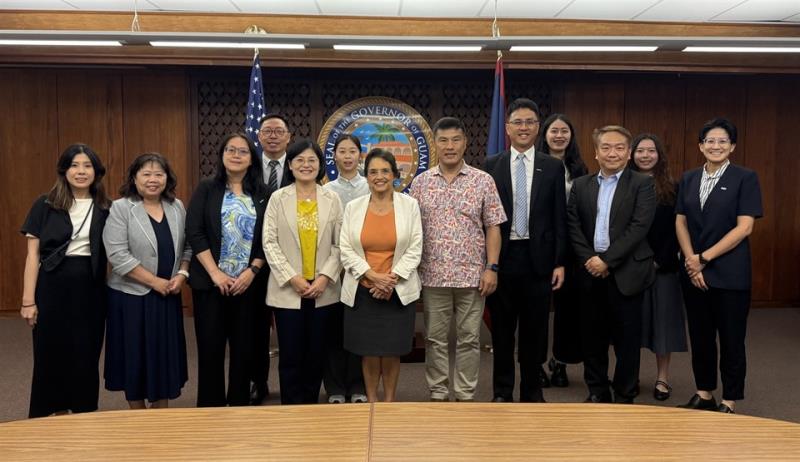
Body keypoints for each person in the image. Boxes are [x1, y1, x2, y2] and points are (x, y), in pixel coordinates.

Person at [409, 117, 506, 402]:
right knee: (435, 339)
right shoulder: (421, 182)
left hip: (473, 277)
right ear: (435, 144)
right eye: (443, 140)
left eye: (455, 140)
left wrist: (492, 267)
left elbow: (493, 227)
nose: (450, 146)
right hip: (433, 275)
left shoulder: (482, 180)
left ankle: (465, 393)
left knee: (469, 339)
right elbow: (412, 229)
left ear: (465, 143)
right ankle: (438, 391)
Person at [676, 118, 762, 414]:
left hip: (730, 273)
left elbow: (745, 228)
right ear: (700, 146)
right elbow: (681, 221)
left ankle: (729, 399)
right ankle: (704, 393)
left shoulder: (745, 177)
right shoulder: (688, 178)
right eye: (710, 141)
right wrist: (691, 261)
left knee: (731, 339)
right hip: (693, 272)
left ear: (733, 146)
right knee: (700, 336)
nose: (716, 146)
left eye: (723, 141)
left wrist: (703, 259)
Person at [20, 143, 111, 418]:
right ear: (64, 170)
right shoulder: (44, 203)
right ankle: (55, 413)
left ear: (96, 172)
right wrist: (28, 300)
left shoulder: (107, 207)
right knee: (50, 354)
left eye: (87, 166)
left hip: (91, 288)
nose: (81, 171)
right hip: (52, 286)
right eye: (74, 165)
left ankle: (84, 412)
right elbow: (32, 255)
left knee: (86, 353)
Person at [567, 125, 656, 404]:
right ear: (596, 153)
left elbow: (639, 227)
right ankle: (597, 390)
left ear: (628, 154)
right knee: (592, 337)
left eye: (619, 148)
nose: (612, 153)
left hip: (626, 272)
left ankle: (625, 392)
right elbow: (573, 225)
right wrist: (590, 260)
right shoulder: (581, 185)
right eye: (606, 147)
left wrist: (606, 260)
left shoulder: (642, 184)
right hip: (590, 271)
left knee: (627, 341)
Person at [485, 99, 566, 403]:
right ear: (507, 128)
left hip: (539, 261)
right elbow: (486, 218)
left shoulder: (553, 166)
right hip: (503, 258)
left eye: (529, 122)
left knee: (535, 331)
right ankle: (502, 391)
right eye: (517, 122)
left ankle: (532, 391)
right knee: (502, 331)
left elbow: (560, 218)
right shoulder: (492, 164)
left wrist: (559, 262)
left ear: (537, 127)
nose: (523, 127)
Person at [186, 133, 269, 407]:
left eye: (242, 151)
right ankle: (210, 408)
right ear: (222, 155)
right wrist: (215, 274)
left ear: (251, 159)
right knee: (210, 349)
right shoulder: (207, 188)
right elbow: (195, 233)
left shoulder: (261, 192)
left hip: (248, 284)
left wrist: (252, 271)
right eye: (231, 150)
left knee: (244, 349)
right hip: (211, 284)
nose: (236, 155)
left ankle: (240, 405)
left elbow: (268, 237)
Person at [102, 153, 191, 409]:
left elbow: (188, 247)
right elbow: (118, 256)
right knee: (134, 356)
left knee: (162, 355)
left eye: (158, 174)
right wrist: (155, 282)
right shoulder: (121, 208)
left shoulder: (177, 207)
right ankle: (137, 411)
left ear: (167, 178)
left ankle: (161, 408)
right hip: (130, 297)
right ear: (134, 178)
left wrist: (182, 275)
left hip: (168, 296)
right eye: (146, 174)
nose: (153, 180)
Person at [263, 139, 343, 404]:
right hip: (288, 289)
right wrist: (292, 277)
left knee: (317, 352)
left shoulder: (332, 198)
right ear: (290, 165)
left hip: (324, 289)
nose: (306, 165)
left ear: (320, 165)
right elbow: (269, 242)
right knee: (291, 353)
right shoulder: (278, 198)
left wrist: (324, 277)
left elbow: (340, 243)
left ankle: (310, 405)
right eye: (299, 160)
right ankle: (291, 407)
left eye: (312, 160)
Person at [340, 149, 423, 402]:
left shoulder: (410, 205)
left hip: (396, 290)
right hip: (363, 290)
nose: (379, 176)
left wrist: (390, 279)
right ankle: (372, 401)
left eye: (385, 171)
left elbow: (416, 247)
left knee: (391, 351)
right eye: (373, 171)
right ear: (366, 177)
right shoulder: (354, 208)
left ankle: (388, 401)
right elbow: (345, 248)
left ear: (395, 175)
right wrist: (373, 276)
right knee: (368, 352)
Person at [627, 134, 688, 401]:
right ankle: (631, 375)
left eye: (651, 151)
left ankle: (663, 378)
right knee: (631, 325)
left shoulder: (673, 188)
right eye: (640, 150)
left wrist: (659, 259)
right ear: (632, 154)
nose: (645, 155)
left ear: (659, 155)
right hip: (630, 265)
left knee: (663, 324)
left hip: (663, 266)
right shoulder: (623, 185)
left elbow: (678, 228)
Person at [535, 113, 588, 388]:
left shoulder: (579, 168)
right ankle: (537, 364)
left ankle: (560, 362)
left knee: (568, 311)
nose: (559, 136)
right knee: (538, 310)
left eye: (564, 131)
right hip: (540, 246)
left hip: (571, 249)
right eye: (553, 131)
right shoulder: (535, 165)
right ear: (544, 135)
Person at [322, 134, 370, 404]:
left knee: (358, 331)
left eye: (353, 151)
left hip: (363, 271)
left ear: (360, 155)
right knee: (333, 331)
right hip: (333, 271)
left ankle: (358, 385)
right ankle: (335, 388)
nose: (348, 156)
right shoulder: (326, 190)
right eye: (342, 151)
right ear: (335, 156)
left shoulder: (370, 186)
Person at [249, 113, 292, 404]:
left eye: (279, 131)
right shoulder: (247, 169)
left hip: (294, 263)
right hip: (256, 263)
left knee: (291, 327)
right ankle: (258, 381)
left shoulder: (302, 165)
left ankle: (293, 382)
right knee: (255, 326)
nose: (273, 135)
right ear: (259, 137)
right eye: (267, 131)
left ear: (288, 137)